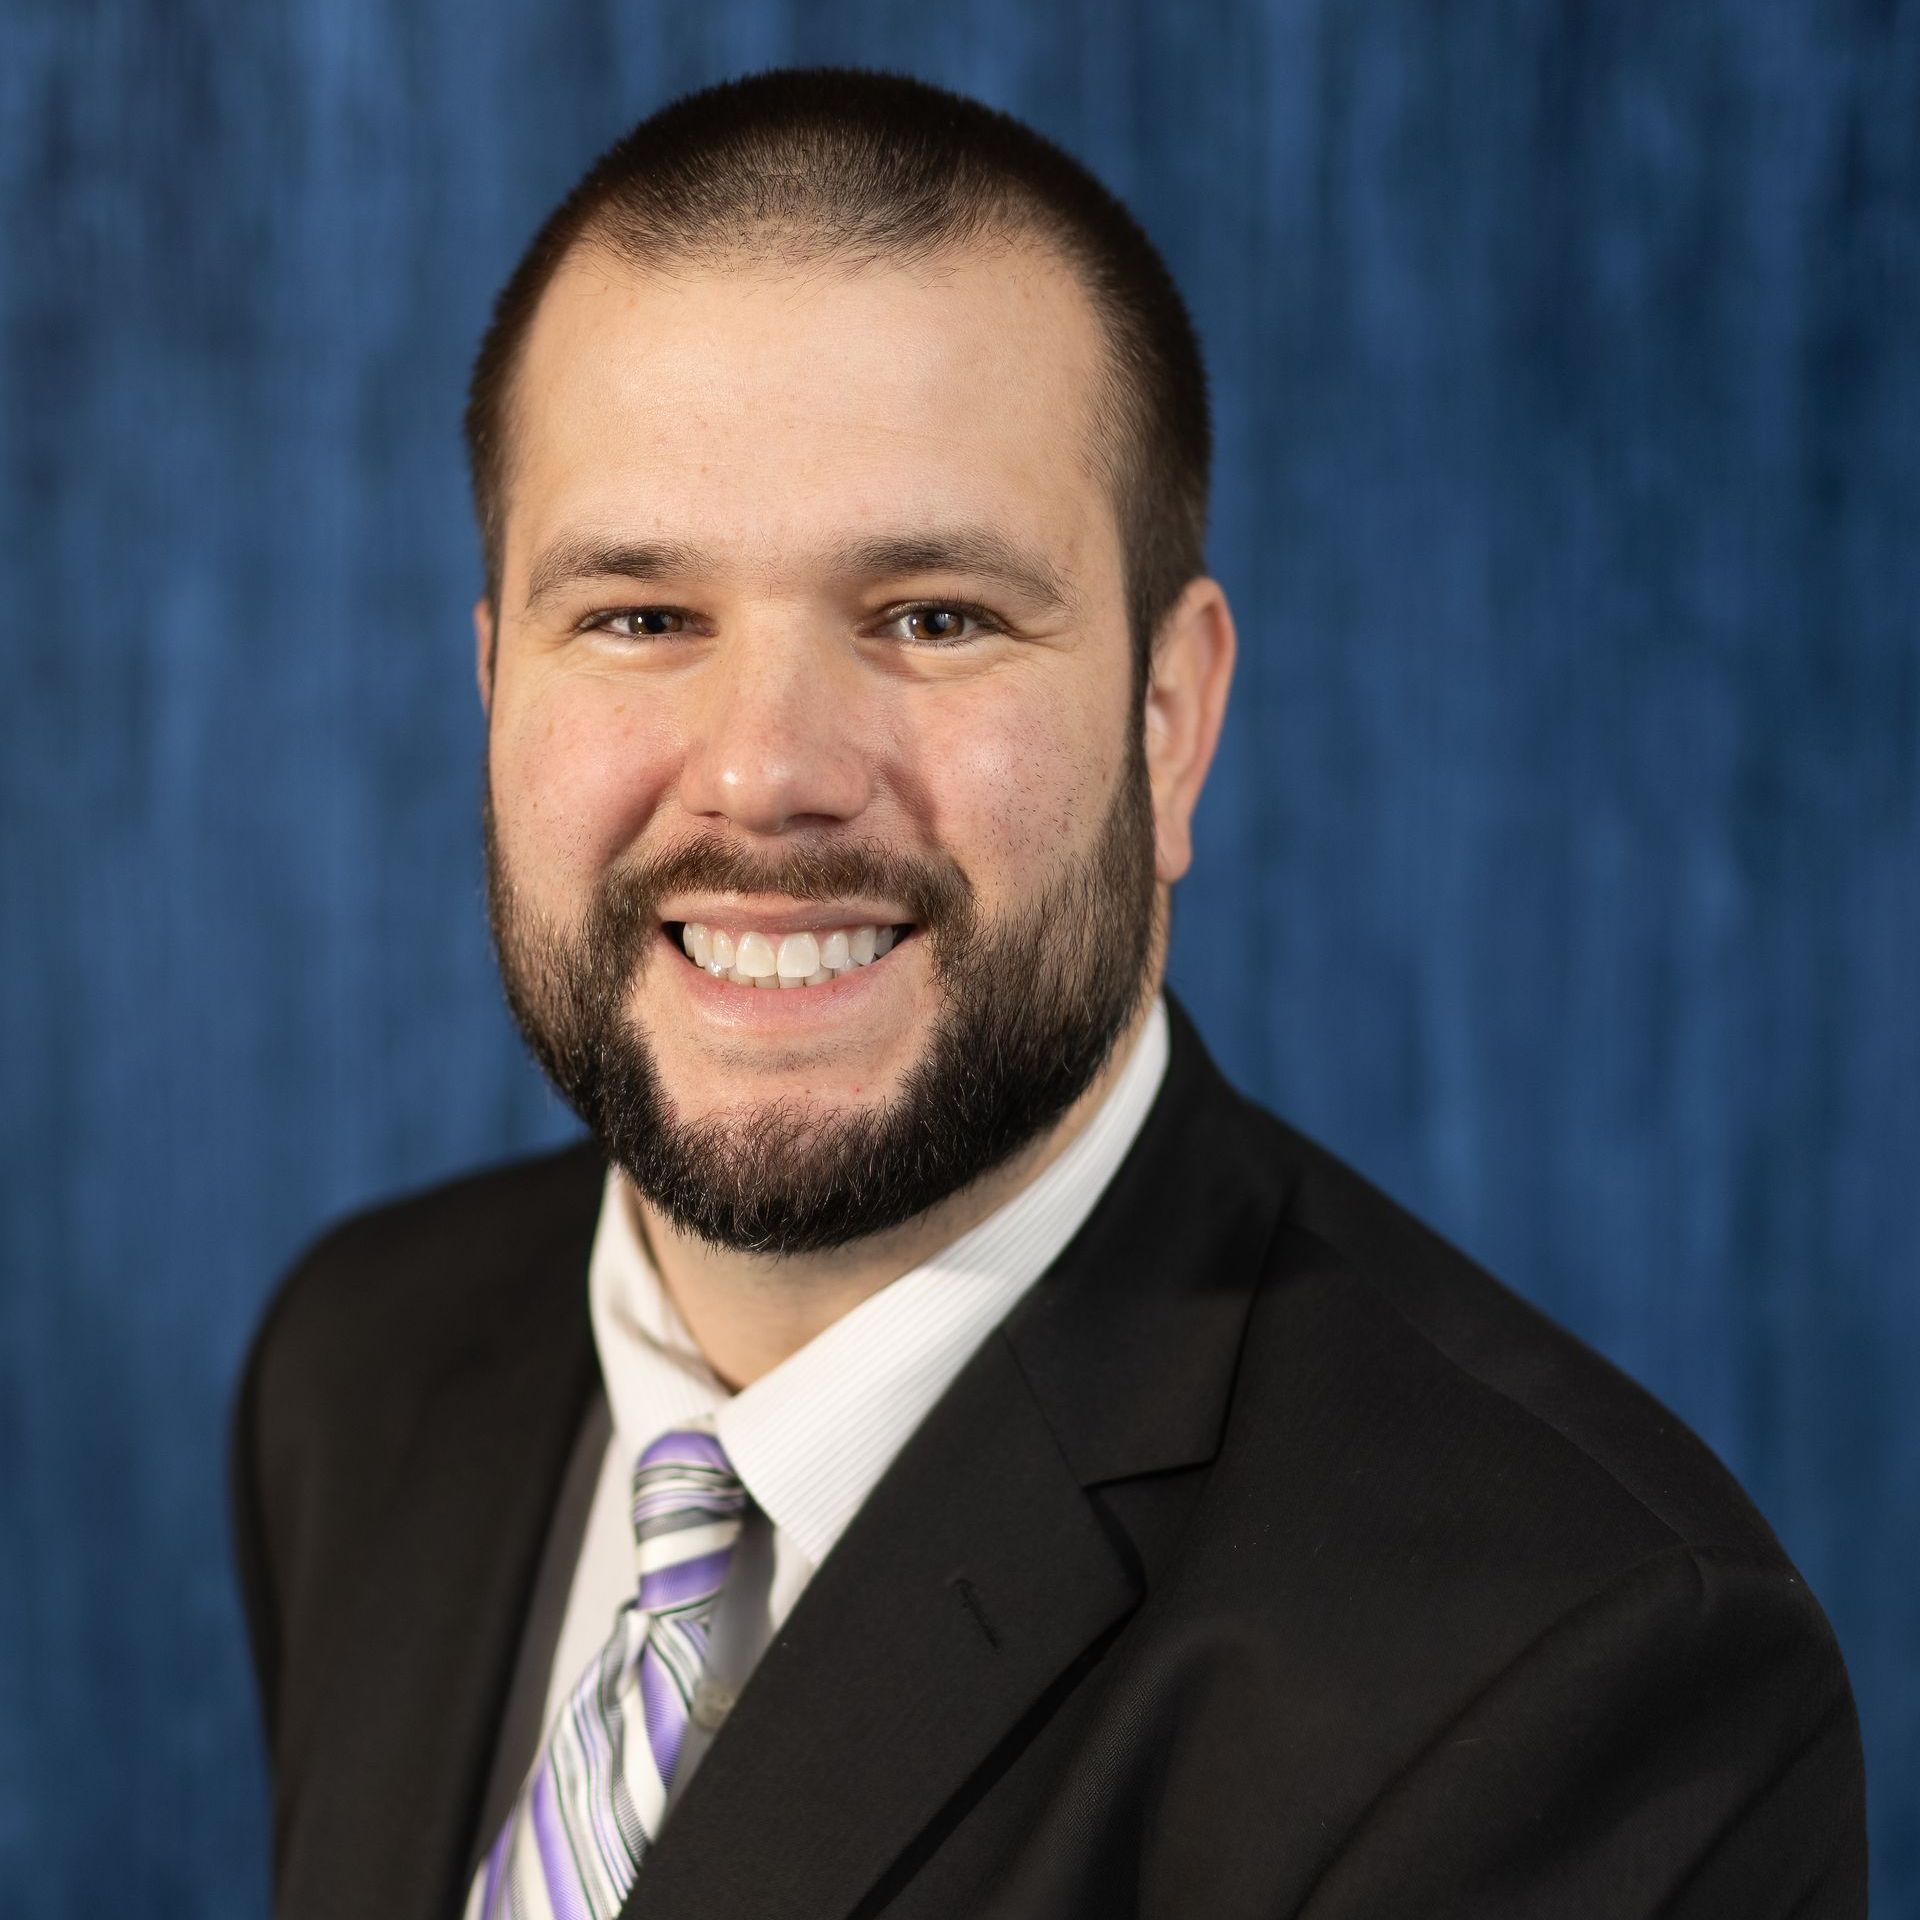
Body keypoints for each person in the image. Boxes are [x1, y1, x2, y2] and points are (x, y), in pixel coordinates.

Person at [229, 67, 1868, 1920]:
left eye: (934, 615)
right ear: (494, 687)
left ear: (1170, 725)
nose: (767, 770)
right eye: (638, 616)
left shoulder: (1576, 1680)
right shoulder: (358, 1373)